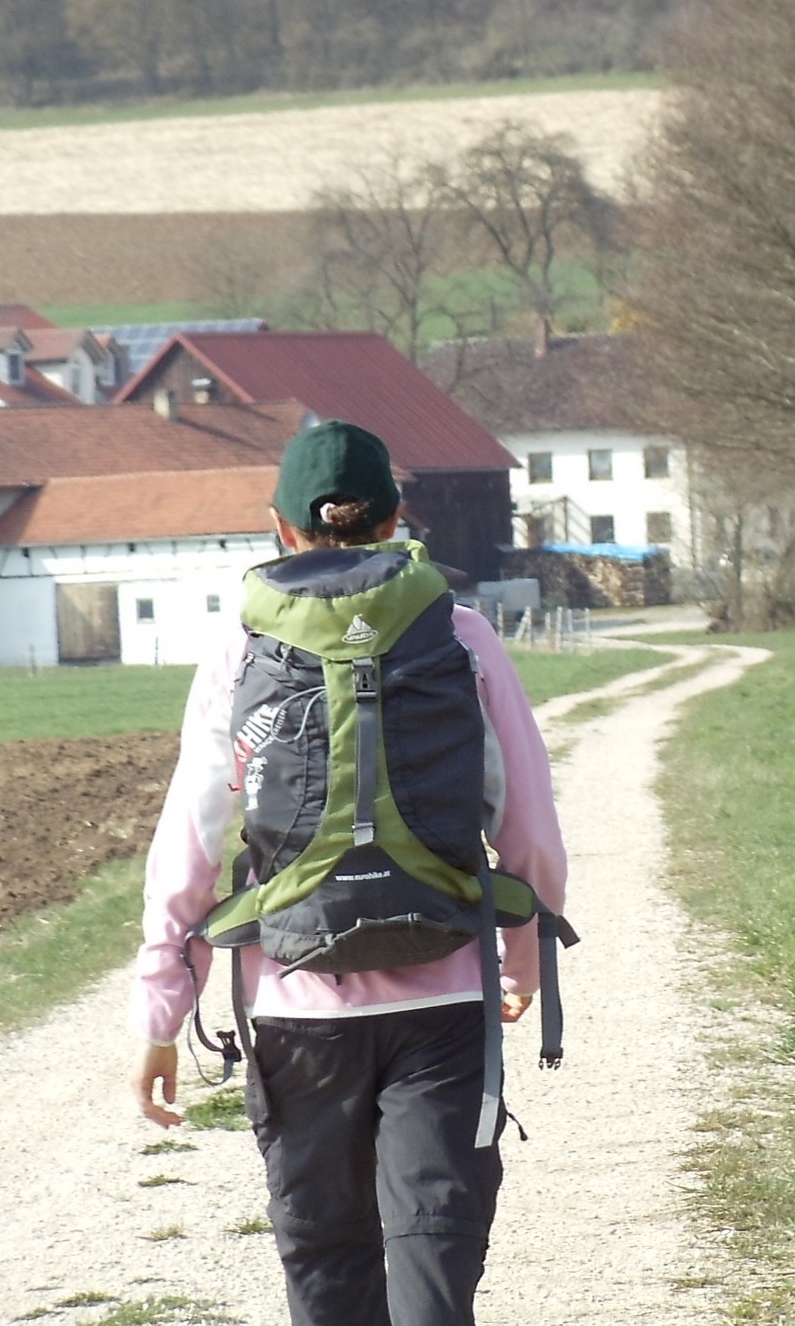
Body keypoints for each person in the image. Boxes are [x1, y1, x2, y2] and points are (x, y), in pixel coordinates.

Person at [129, 419, 566, 1326]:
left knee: (326, 1259)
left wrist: (162, 1014)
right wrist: (522, 960)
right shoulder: (464, 632)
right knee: (434, 1254)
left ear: (279, 527)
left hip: (295, 1006)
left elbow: (191, 843)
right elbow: (525, 821)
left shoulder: (239, 652)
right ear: (398, 519)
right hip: (443, 996)